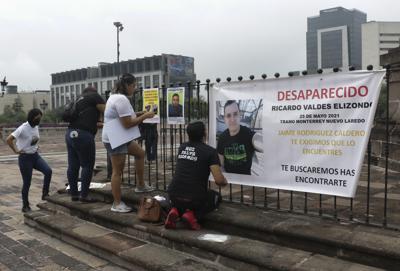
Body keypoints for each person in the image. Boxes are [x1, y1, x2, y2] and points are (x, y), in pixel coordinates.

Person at [102, 73, 155, 213]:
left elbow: (125, 116)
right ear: (126, 85)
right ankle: (117, 203)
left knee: (140, 153)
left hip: (117, 136)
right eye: (133, 85)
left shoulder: (114, 97)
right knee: (117, 172)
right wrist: (146, 116)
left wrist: (141, 112)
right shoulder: (121, 99)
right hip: (116, 138)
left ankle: (141, 185)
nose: (135, 88)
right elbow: (128, 124)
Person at [166, 121, 228, 230]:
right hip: (194, 199)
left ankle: (175, 210)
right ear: (204, 133)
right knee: (216, 197)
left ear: (188, 134)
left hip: (173, 195)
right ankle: (193, 216)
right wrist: (225, 182)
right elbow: (219, 180)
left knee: (183, 198)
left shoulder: (182, 147)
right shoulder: (210, 152)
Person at [6, 109, 52, 212]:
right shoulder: (23, 128)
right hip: (25, 158)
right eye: (37, 118)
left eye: (40, 118)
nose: (39, 120)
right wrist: (16, 150)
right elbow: (9, 139)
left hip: (35, 156)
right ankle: (25, 206)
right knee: (27, 182)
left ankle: (45, 194)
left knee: (48, 171)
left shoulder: (36, 126)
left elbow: (33, 139)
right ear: (32, 117)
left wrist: (35, 146)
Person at [65, 86, 105, 203]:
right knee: (87, 165)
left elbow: (85, 120)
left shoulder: (78, 99)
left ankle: (74, 194)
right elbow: (108, 112)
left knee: (73, 165)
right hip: (83, 135)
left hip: (70, 133)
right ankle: (84, 195)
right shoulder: (94, 97)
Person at [217, 100, 259, 175]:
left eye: (235, 114)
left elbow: (258, 140)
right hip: (230, 182)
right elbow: (221, 165)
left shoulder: (248, 134)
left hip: (246, 182)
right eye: (228, 115)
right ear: (225, 119)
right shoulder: (222, 138)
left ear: (240, 116)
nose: (232, 119)